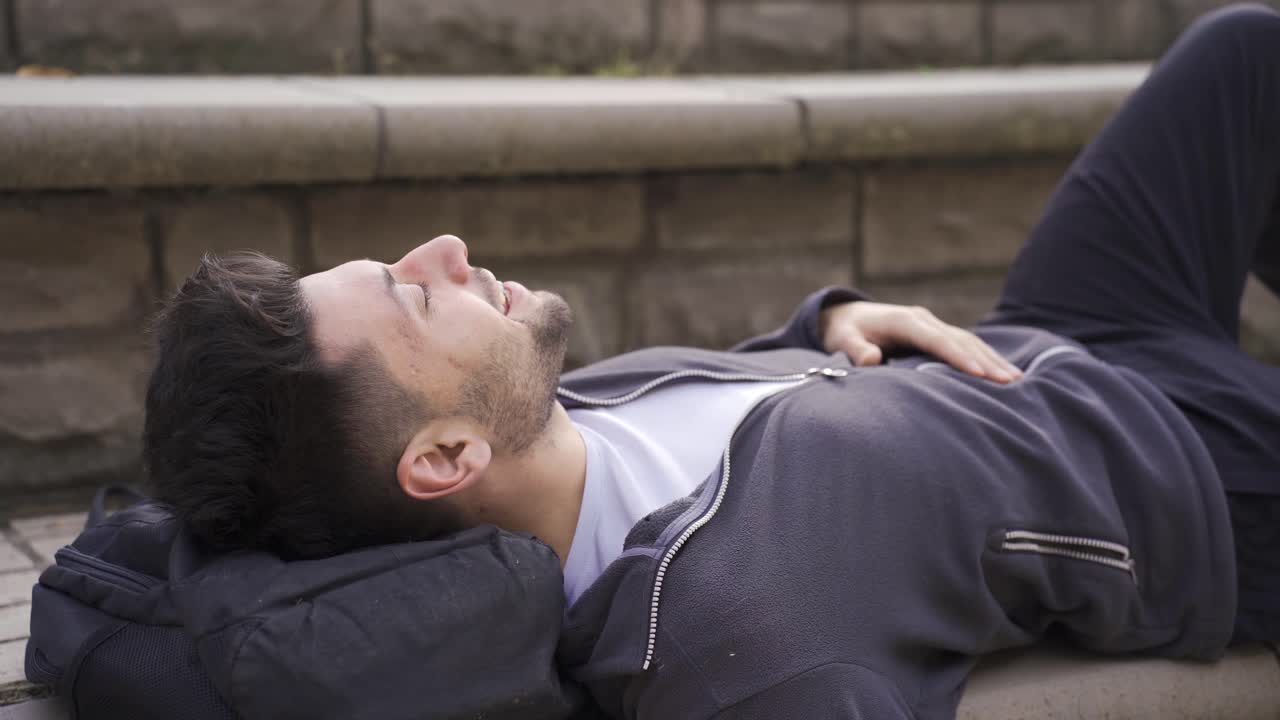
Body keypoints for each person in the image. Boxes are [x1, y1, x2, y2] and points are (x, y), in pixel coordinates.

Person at [142, 5, 1279, 718]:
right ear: (443, 455)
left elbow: (756, 412)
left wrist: (831, 318)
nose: (440, 250)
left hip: (1060, 332)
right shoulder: (728, 640)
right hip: (1190, 481)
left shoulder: (549, 414)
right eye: (408, 295)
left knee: (1244, 54)